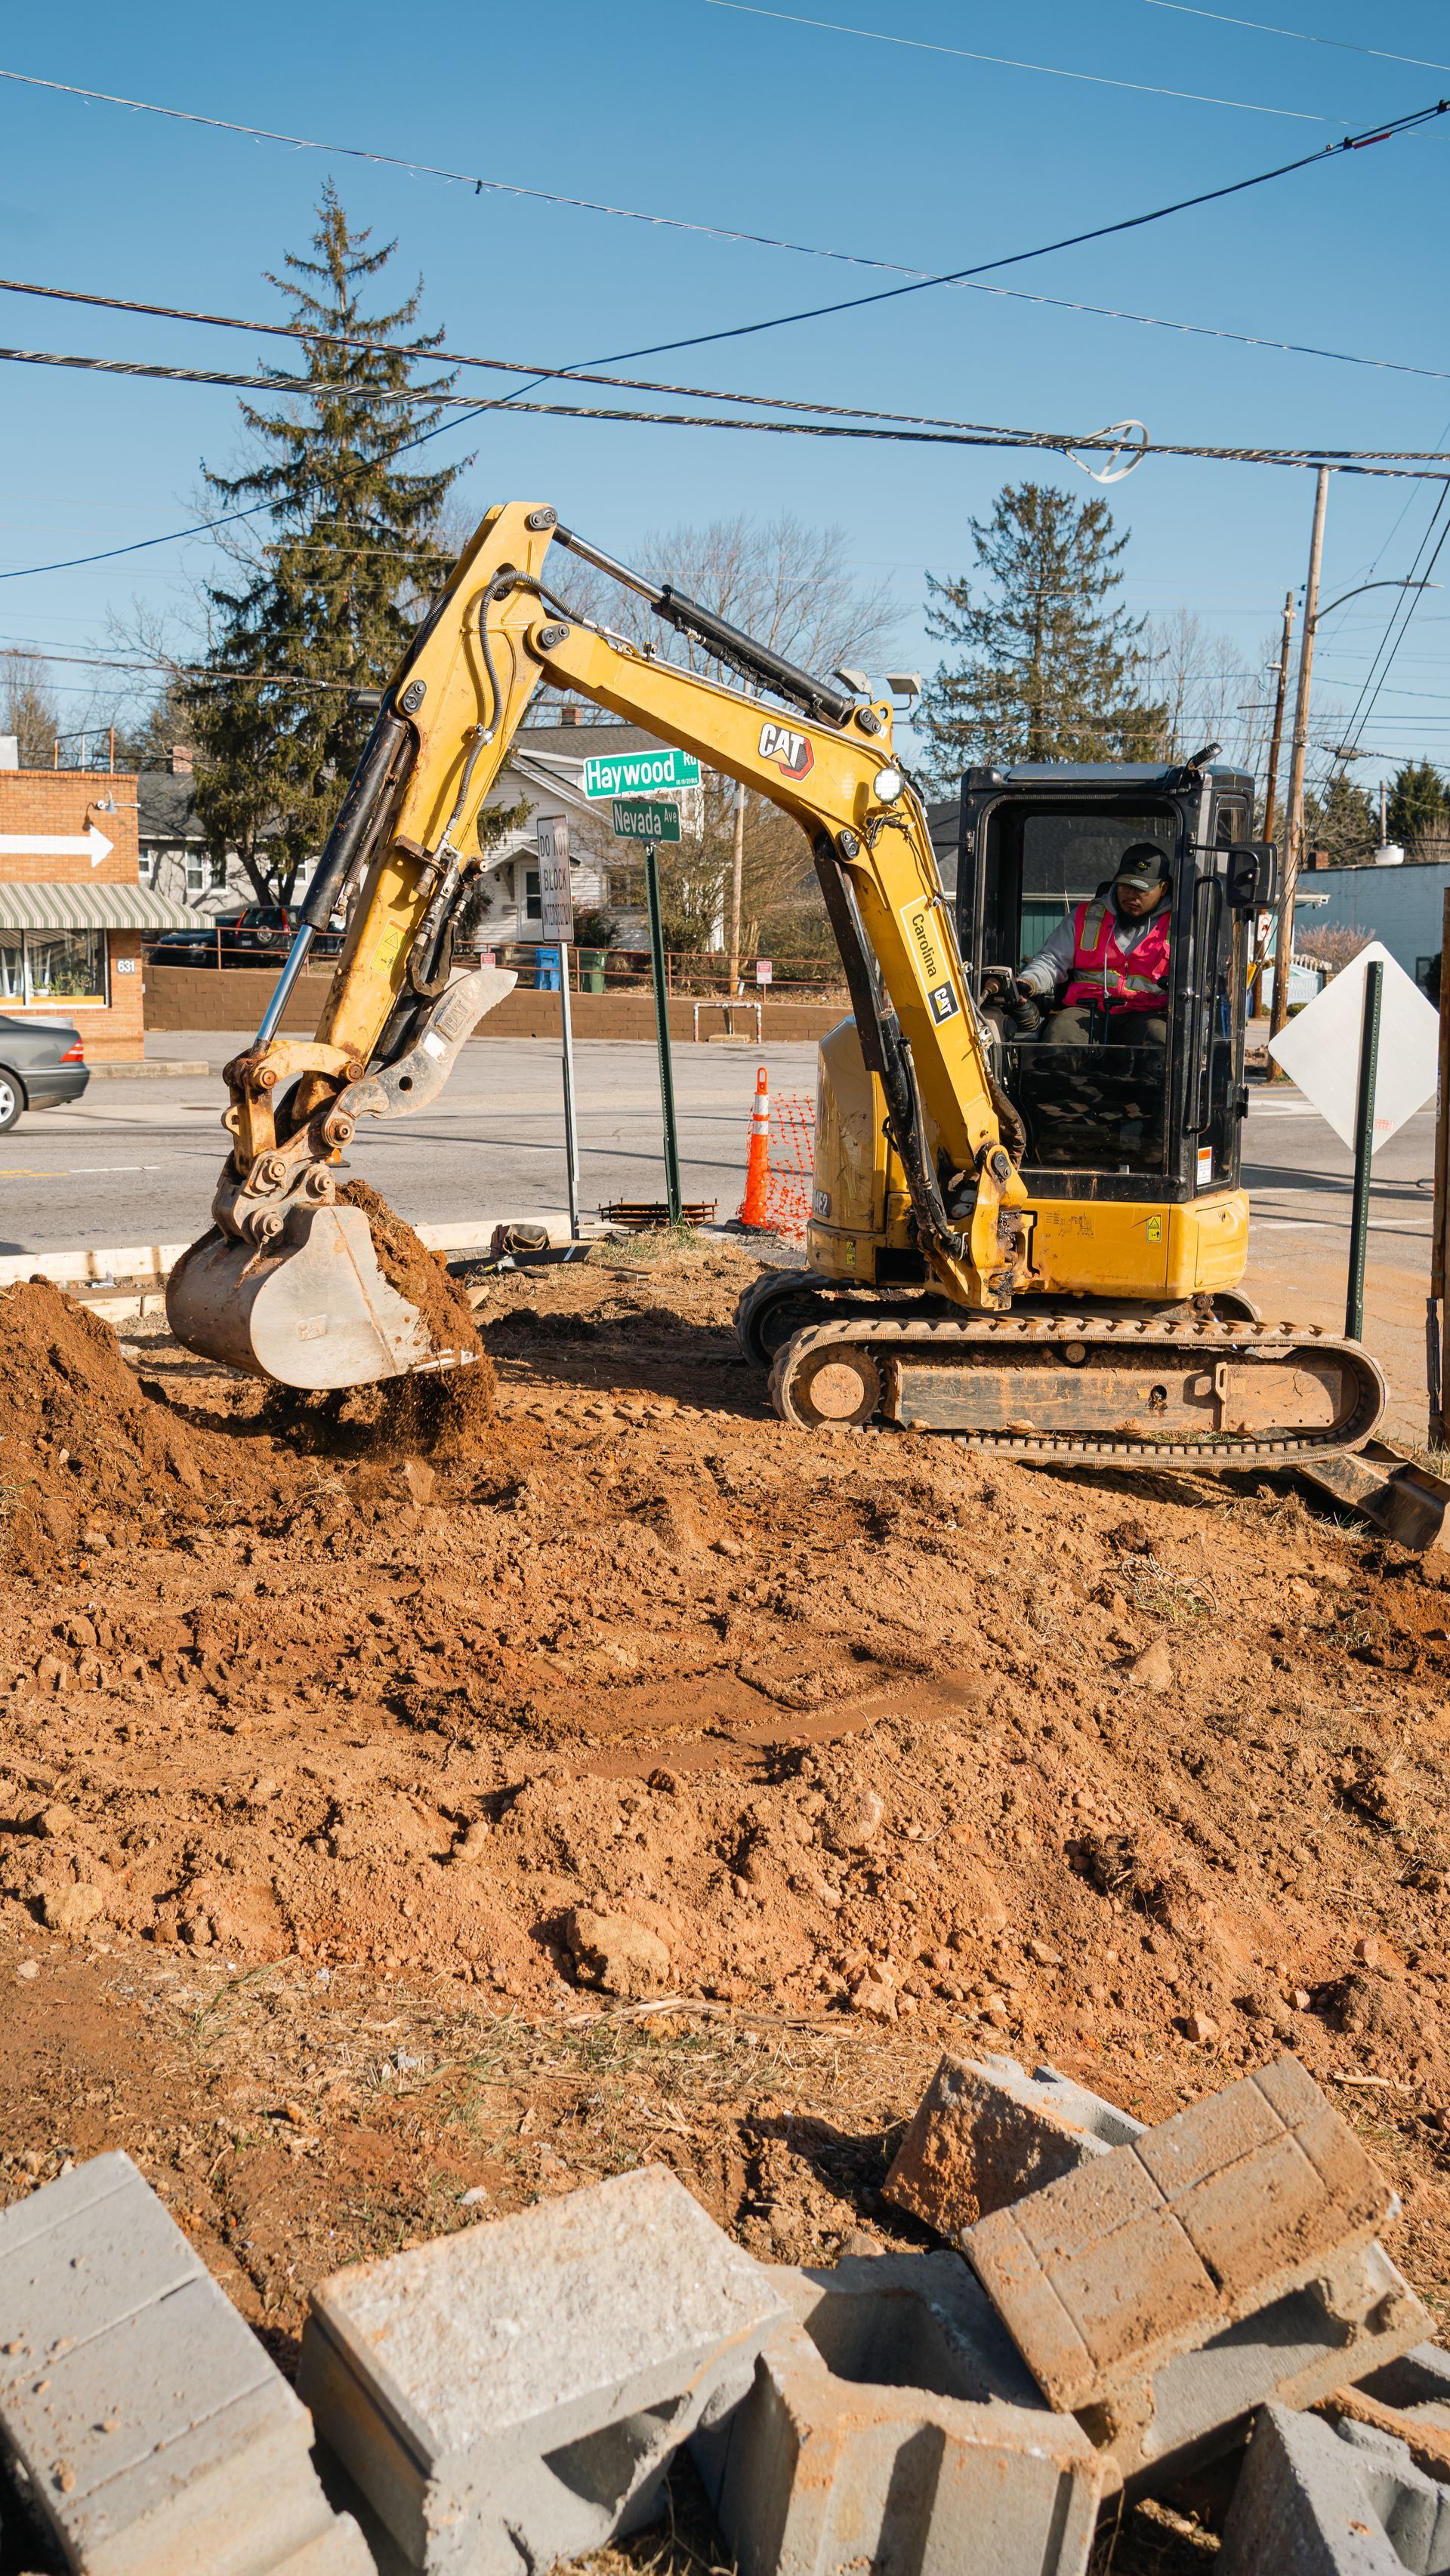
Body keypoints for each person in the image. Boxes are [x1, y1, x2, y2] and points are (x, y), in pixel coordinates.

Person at [986, 844, 1173, 1049]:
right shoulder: (1086, 916)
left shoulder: (1179, 927)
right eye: (1125, 886)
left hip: (1147, 1014)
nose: (1131, 895)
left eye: (1141, 889)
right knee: (1061, 1036)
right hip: (1086, 1011)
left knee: (1163, 1042)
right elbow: (1052, 959)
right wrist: (1030, 981)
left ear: (1162, 889)